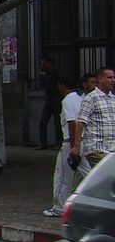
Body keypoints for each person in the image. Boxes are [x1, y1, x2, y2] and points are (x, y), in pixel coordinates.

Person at [46, 76, 82, 216]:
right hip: (83, 140)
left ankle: (59, 207)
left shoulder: (67, 100)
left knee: (62, 175)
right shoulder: (80, 99)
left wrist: (74, 146)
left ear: (62, 85)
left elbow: (72, 123)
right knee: (82, 174)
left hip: (70, 142)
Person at [71, 66, 115, 180]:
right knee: (109, 175)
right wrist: (77, 146)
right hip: (97, 147)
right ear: (100, 79)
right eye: (109, 78)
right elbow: (81, 122)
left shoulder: (112, 98)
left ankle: (79, 196)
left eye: (113, 78)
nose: (113, 80)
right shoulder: (91, 98)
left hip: (111, 148)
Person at [37, 57, 63, 150]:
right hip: (49, 99)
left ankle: (59, 143)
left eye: (44, 64)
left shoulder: (55, 73)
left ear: (49, 63)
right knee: (43, 122)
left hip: (55, 98)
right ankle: (44, 143)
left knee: (58, 122)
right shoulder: (49, 73)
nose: (42, 66)